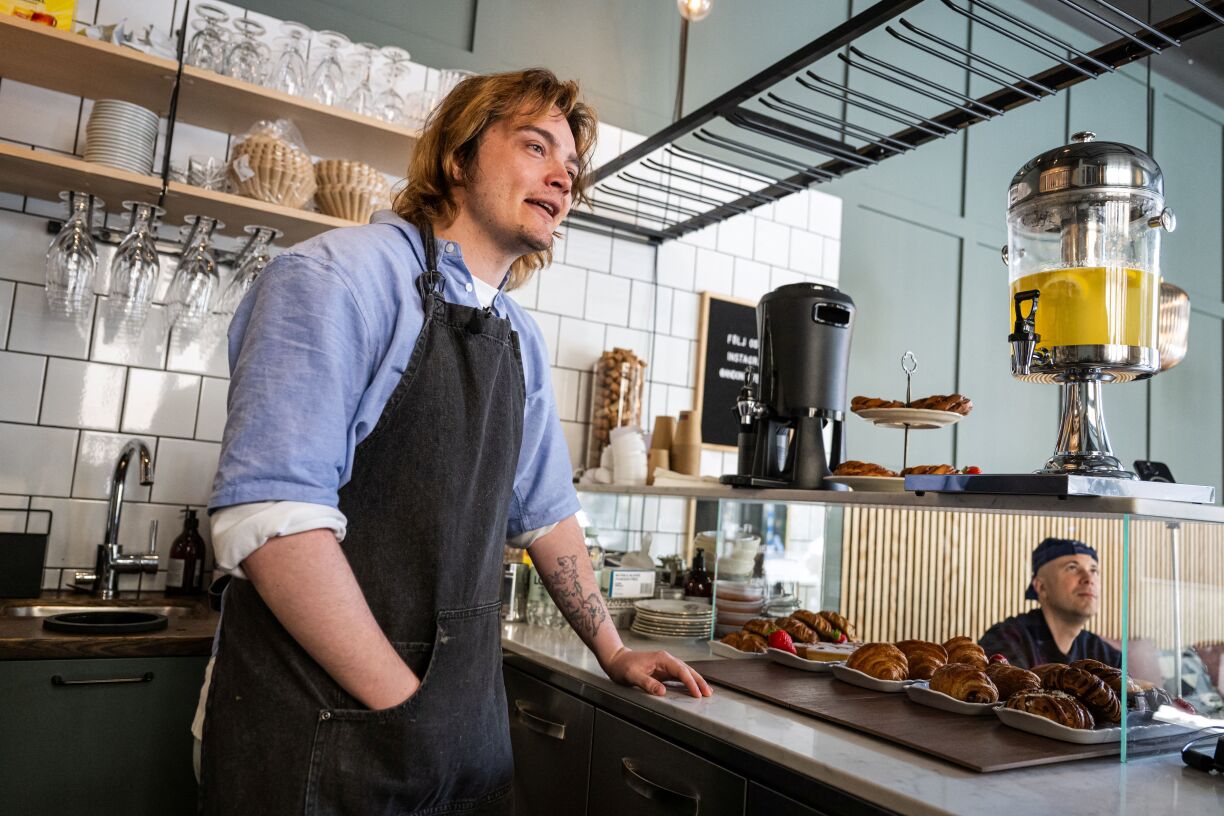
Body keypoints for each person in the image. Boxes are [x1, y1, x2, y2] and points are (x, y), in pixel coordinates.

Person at [196, 68, 711, 815]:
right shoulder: (334, 277)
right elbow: (274, 525)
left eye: (570, 168)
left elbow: (547, 515)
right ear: (457, 157)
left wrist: (615, 649)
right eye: (536, 147)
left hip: (458, 740)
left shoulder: (518, 338)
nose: (561, 178)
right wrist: (405, 708)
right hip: (324, 734)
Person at [979, 537, 1121, 669]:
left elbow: (1133, 692)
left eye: (1094, 570)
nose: (1089, 578)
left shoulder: (1105, 655)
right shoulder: (1007, 640)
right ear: (1041, 587)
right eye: (1072, 567)